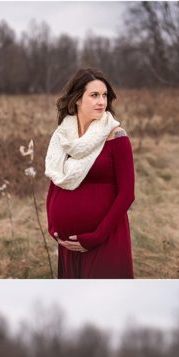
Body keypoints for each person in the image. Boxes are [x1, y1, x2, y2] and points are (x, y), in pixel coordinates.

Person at [45, 68, 135, 279]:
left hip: (104, 240)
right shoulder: (63, 136)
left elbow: (127, 194)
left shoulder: (116, 136)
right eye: (94, 95)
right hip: (68, 245)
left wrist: (96, 236)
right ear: (77, 99)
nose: (101, 102)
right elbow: (56, 179)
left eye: (104, 95)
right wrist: (53, 226)